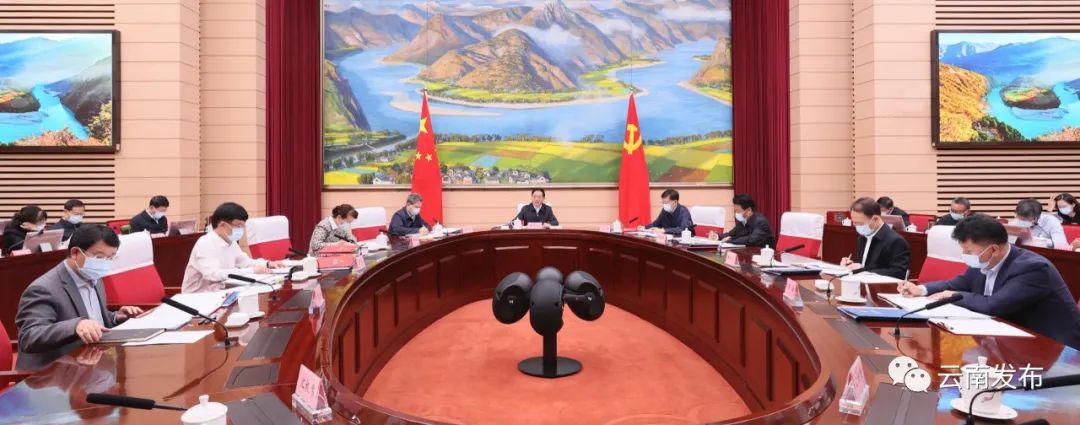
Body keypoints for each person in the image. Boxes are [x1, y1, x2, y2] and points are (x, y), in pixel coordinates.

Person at [899, 215, 1080, 350]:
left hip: (1052, 347)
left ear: (994, 249)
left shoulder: (1033, 268)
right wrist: (921, 289)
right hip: (1010, 338)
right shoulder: (984, 260)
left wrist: (954, 296)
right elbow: (959, 283)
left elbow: (994, 305)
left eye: (969, 251)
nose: (965, 256)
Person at [14, 225, 144, 369]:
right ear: (75, 252)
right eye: (99, 257)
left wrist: (116, 317)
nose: (104, 263)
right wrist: (75, 326)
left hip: (90, 361)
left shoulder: (94, 278)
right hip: (54, 372)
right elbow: (29, 337)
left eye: (111, 258)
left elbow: (92, 317)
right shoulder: (44, 288)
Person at [181, 202, 284, 293]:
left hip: (221, 292)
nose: (241, 230)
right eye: (238, 226)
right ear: (222, 225)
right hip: (198, 298)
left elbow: (245, 262)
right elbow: (213, 274)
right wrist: (252, 271)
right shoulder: (205, 243)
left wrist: (268, 264)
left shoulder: (231, 242)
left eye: (243, 226)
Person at [840, 197, 910, 279]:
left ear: (875, 219)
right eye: (854, 223)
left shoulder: (896, 241)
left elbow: (899, 273)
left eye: (860, 223)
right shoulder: (863, 237)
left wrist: (862, 270)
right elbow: (864, 264)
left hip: (882, 285)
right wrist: (851, 264)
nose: (856, 227)